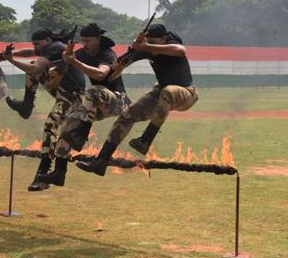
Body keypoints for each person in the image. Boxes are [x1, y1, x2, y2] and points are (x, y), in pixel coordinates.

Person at [76, 24, 198, 176]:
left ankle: (145, 140)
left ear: (164, 39)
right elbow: (122, 62)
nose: (151, 46)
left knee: (168, 91)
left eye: (154, 42)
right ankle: (101, 161)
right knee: (127, 116)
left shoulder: (172, 44)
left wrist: (146, 46)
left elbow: (181, 50)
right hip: (160, 91)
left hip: (186, 93)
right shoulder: (148, 48)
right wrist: (126, 57)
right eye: (149, 42)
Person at [37, 23, 129, 187]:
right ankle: (59, 172)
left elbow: (101, 74)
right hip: (95, 105)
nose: (85, 44)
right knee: (66, 128)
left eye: (88, 40)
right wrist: (58, 69)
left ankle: (83, 133)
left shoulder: (107, 53)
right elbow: (62, 67)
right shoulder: (80, 54)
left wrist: (74, 61)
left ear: (98, 39)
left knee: (94, 90)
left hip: (117, 101)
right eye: (83, 40)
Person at [4, 27, 85, 191]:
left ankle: (43, 173)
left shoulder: (54, 48)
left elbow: (35, 68)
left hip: (72, 95)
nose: (35, 47)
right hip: (61, 89)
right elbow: (30, 51)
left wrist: (10, 60)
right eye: (34, 44)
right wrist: (10, 54)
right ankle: (26, 106)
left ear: (48, 40)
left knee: (50, 126)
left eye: (38, 44)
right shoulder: (51, 47)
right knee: (33, 64)